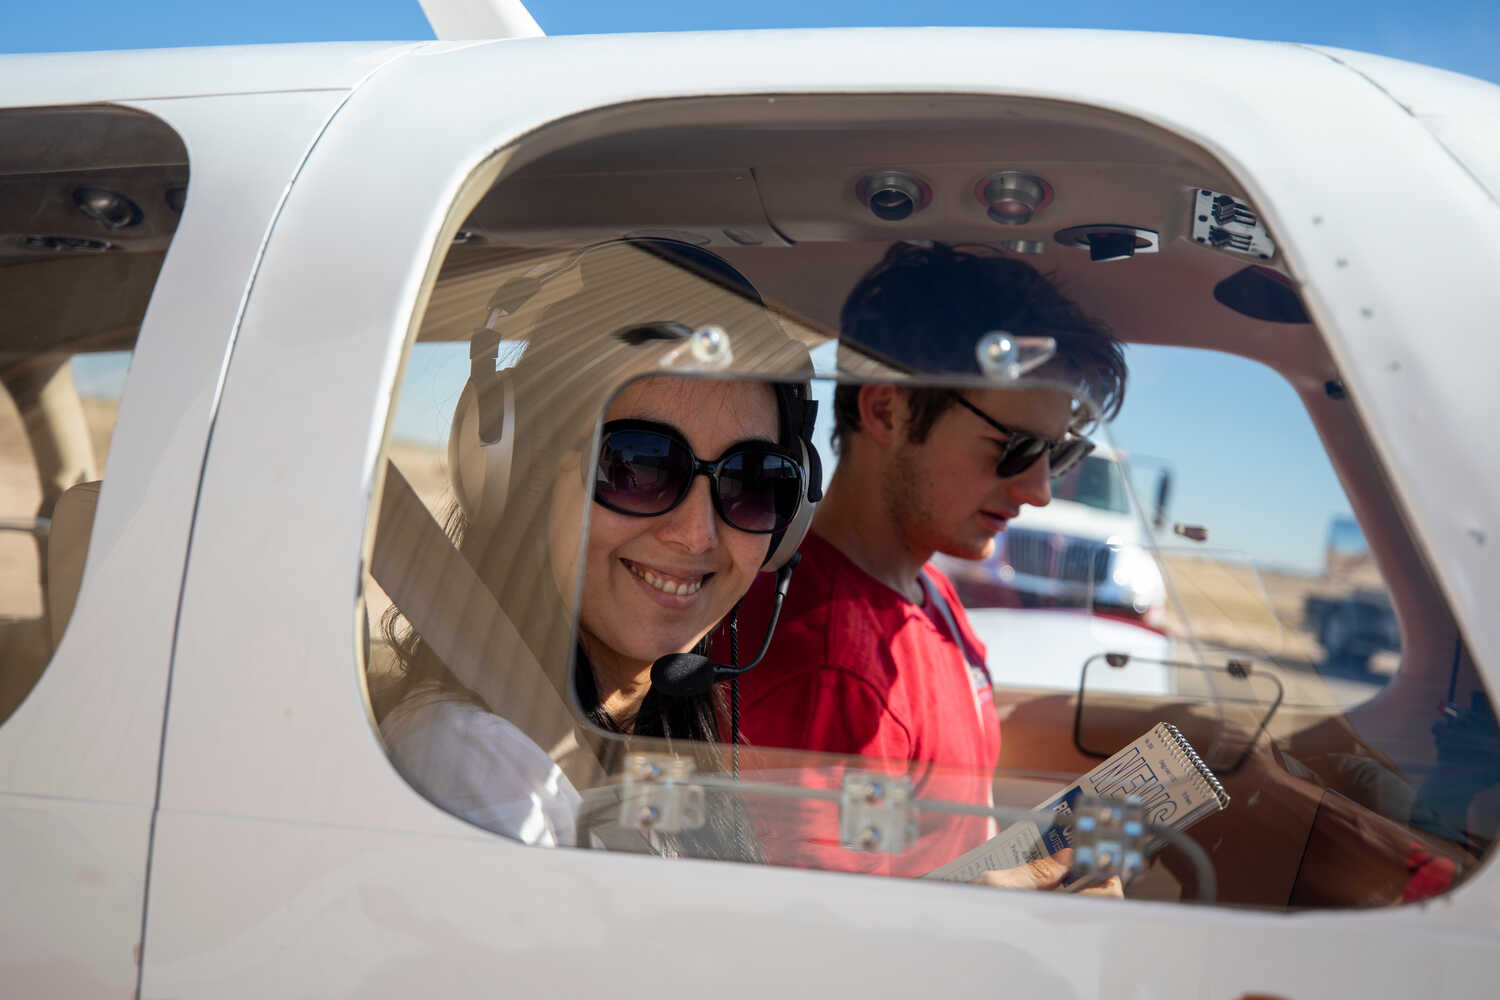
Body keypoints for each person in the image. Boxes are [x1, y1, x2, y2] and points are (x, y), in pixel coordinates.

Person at [377, 239, 820, 854]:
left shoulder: (649, 745)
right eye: (638, 466)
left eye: (752, 482)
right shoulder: (477, 770)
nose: (697, 533)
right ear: (519, 474)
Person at [729, 242, 1129, 886]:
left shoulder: (923, 587)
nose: (1039, 490)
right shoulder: (832, 672)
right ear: (888, 410)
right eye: (1015, 447)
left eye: (1053, 455)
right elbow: (819, 938)